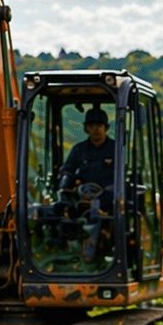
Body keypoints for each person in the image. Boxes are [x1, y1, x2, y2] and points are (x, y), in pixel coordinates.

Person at [58, 106, 115, 260]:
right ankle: (62, 252)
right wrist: (64, 187)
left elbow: (122, 176)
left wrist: (104, 197)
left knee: (97, 214)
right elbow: (68, 170)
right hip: (82, 197)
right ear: (86, 128)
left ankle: (90, 254)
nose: (95, 129)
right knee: (58, 212)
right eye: (91, 126)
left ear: (106, 128)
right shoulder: (79, 149)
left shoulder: (116, 149)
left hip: (108, 200)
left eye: (99, 126)